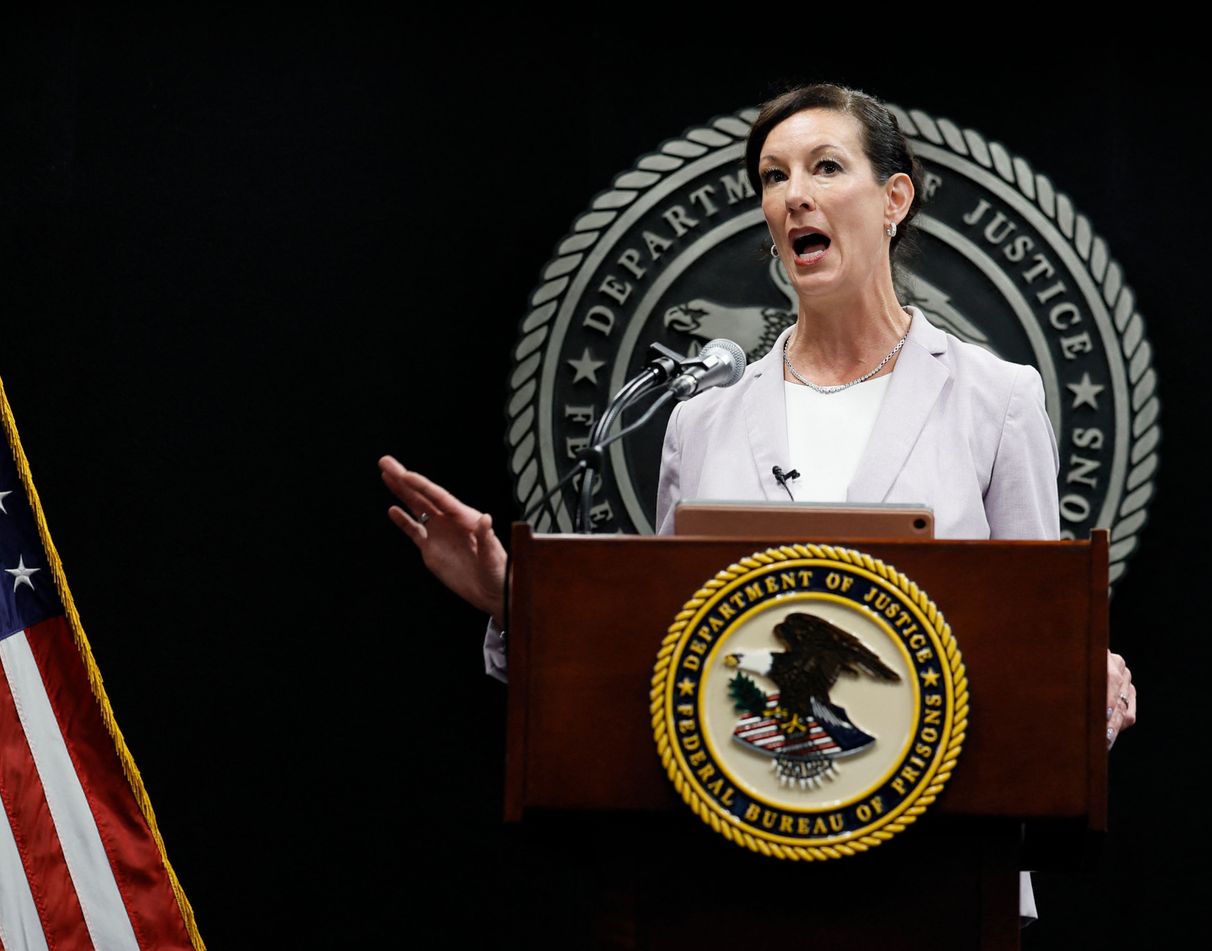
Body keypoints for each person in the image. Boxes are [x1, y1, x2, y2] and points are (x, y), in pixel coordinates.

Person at [379, 83, 1136, 741]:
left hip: (938, 838)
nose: (792, 195)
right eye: (774, 177)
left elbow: (1039, 632)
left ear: (894, 199)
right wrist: (513, 602)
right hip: (726, 837)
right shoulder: (702, 417)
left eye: (826, 168)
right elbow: (666, 655)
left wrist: (1084, 668)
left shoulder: (994, 398)